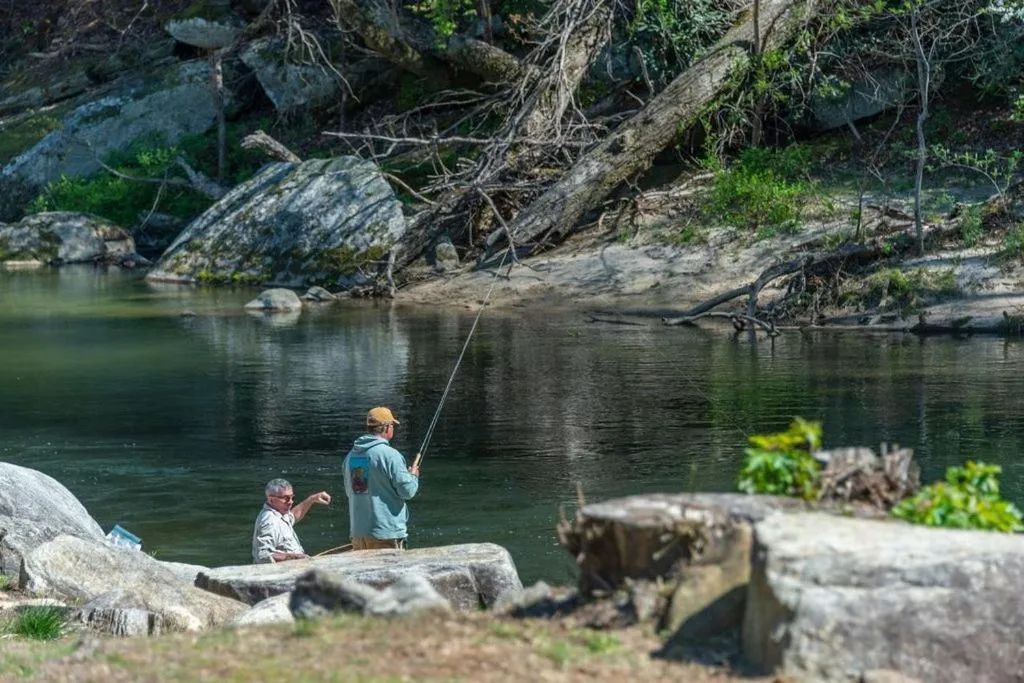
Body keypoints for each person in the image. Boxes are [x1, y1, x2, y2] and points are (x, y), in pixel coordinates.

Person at [343, 406, 420, 550]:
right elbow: (407, 491)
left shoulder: (351, 456)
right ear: (386, 428)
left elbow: (354, 491)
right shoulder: (390, 455)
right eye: (392, 425)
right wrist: (413, 477)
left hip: (358, 535)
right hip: (386, 534)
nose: (393, 429)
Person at [251, 478, 331, 563]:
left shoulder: (280, 512)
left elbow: (292, 516)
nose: (291, 502)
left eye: (292, 497)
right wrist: (294, 557)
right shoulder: (269, 521)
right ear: (271, 499)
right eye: (286, 498)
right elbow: (262, 554)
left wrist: (312, 499)